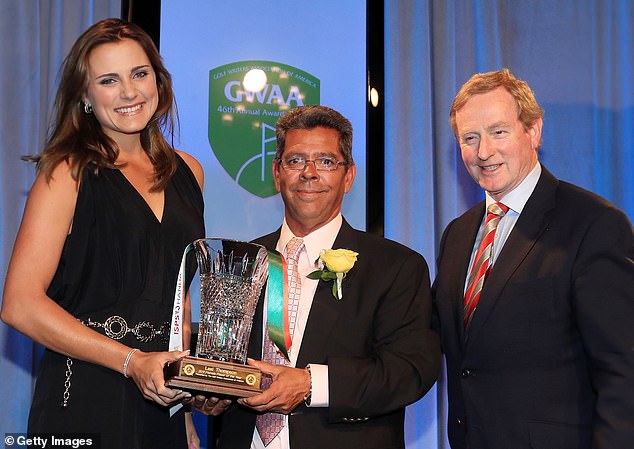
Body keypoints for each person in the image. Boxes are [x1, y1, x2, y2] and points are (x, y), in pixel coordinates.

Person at [1, 19, 205, 448]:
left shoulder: (190, 173)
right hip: (82, 395)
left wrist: (182, 411)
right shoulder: (67, 172)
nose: (130, 92)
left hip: (162, 401)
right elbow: (19, 304)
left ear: (159, 80)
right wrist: (131, 362)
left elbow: (177, 302)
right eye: (109, 80)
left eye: (139, 73)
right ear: (86, 97)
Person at [206, 105, 441, 449]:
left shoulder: (396, 266)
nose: (309, 173)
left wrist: (310, 383)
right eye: (296, 160)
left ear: (348, 177)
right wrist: (211, 393)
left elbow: (409, 371)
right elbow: (222, 359)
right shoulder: (239, 260)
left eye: (326, 162)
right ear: (277, 172)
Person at [432, 68, 634, 449]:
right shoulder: (457, 234)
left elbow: (623, 372)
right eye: (469, 138)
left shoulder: (594, 224)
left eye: (498, 132)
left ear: (534, 131)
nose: (483, 152)